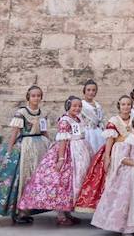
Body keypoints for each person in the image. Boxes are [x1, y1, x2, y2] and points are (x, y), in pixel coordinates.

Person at [0, 85, 51, 222]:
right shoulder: (21, 112)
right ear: (28, 97)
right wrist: (9, 151)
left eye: (38, 95)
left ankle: (26, 210)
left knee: (34, 179)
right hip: (25, 147)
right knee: (20, 178)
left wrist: (50, 144)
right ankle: (17, 211)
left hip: (39, 147)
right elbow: (15, 133)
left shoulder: (41, 113)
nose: (36, 98)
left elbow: (44, 131)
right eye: (33, 95)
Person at [17, 96, 92, 226]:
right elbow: (63, 140)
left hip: (80, 150)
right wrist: (61, 158)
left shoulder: (78, 118)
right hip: (68, 151)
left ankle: (68, 212)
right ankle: (61, 214)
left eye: (79, 106)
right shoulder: (64, 120)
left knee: (71, 184)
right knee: (61, 182)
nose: (77, 108)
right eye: (74, 106)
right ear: (68, 106)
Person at [76, 94, 134, 212]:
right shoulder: (114, 121)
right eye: (123, 104)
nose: (126, 107)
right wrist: (107, 157)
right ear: (119, 106)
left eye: (128, 104)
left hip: (133, 151)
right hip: (117, 152)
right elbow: (110, 140)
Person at [79, 80, 106, 154]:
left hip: (98, 133)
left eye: (93, 90)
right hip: (86, 133)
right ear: (84, 91)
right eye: (88, 90)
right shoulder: (81, 104)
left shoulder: (98, 105)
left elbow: (102, 119)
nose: (91, 92)